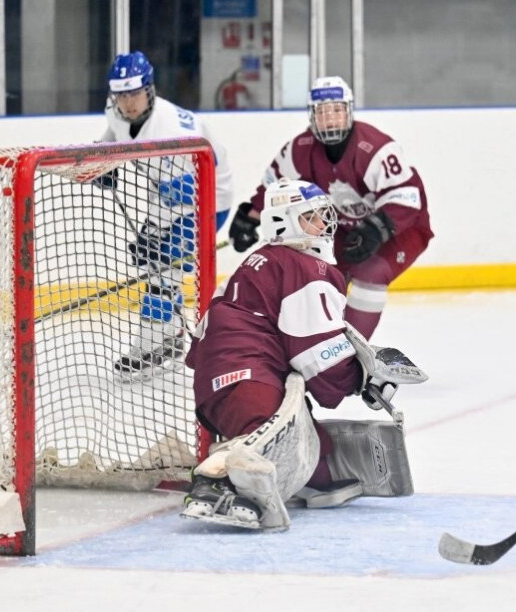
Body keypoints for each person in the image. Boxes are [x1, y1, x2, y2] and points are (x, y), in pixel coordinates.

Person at [180, 178, 427, 531]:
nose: (325, 225)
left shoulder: (260, 260)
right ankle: (213, 486)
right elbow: (317, 354)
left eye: (324, 216)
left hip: (223, 382)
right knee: (262, 441)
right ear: (285, 222)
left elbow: (203, 349)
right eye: (312, 217)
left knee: (308, 443)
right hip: (247, 378)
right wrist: (356, 380)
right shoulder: (306, 267)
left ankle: (310, 478)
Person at [227, 76, 433, 340]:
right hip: (346, 228)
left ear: (349, 111)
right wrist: (250, 216)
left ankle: (350, 353)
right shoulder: (299, 149)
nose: (331, 118)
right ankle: (319, 343)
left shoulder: (376, 147)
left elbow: (407, 197)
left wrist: (375, 230)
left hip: (402, 226)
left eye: (337, 110)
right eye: (323, 111)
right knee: (318, 270)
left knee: (370, 272)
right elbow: (275, 184)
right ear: (312, 116)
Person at [95, 51, 235, 376]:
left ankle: (153, 346)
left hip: (208, 197)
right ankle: (170, 337)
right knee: (155, 264)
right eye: (121, 95)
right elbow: (108, 141)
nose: (128, 103)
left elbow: (189, 196)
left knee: (163, 269)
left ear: (149, 90)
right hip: (167, 194)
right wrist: (104, 165)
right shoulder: (115, 112)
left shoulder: (171, 131)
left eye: (135, 94)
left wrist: (158, 240)